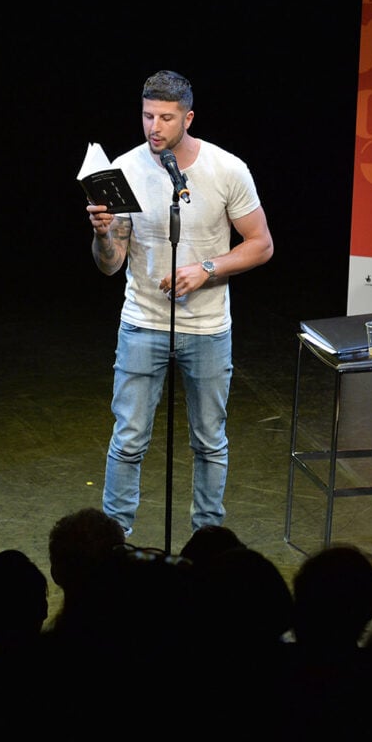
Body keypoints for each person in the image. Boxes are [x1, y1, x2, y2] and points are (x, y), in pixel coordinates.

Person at [86, 69, 274, 539]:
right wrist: (103, 234)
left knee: (209, 441)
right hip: (143, 322)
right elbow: (111, 265)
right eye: (148, 116)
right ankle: (114, 543)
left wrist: (206, 269)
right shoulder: (125, 170)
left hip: (207, 328)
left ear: (187, 118)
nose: (155, 127)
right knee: (128, 439)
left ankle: (208, 543)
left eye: (166, 118)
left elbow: (261, 244)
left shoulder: (227, 170)